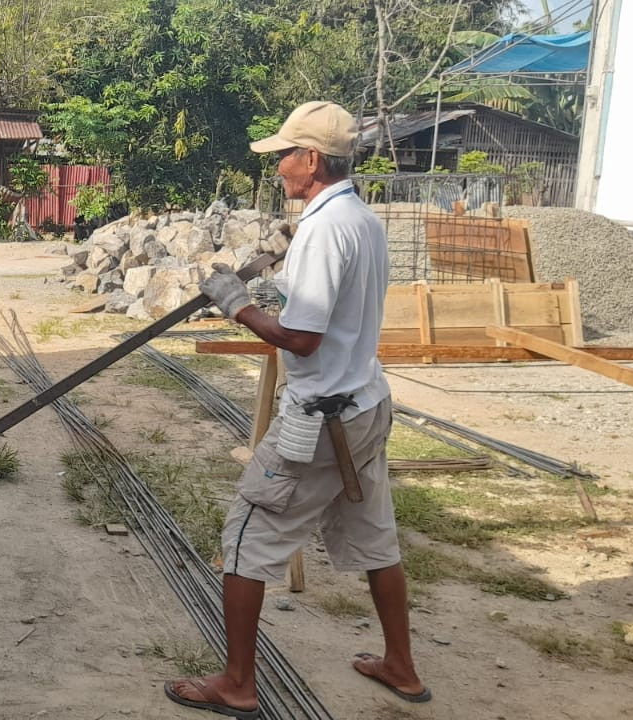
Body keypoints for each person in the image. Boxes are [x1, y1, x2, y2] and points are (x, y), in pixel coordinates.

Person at [167, 101, 429, 717]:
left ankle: (237, 683)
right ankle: (400, 665)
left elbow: (302, 339)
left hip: (320, 421)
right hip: (364, 403)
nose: (279, 166)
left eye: (285, 155)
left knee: (245, 539)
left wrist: (237, 305)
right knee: (375, 538)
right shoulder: (361, 218)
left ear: (311, 159)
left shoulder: (325, 229)